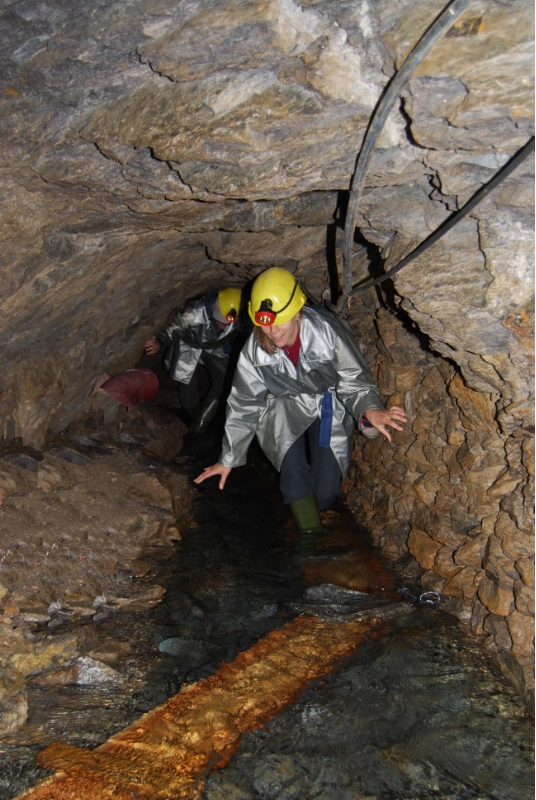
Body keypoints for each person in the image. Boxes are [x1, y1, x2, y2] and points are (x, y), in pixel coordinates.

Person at [194, 267, 407, 533]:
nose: (272, 331)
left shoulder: (327, 332)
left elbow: (354, 380)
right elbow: (244, 403)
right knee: (294, 477)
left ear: (297, 312)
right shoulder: (253, 351)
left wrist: (370, 410)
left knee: (325, 493)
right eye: (264, 323)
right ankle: (310, 544)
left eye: (279, 321)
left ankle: (311, 518)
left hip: (328, 401)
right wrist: (228, 458)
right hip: (282, 406)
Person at [145, 287, 243, 433]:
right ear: (213, 307)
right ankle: (194, 419)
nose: (223, 326)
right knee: (186, 386)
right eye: (220, 321)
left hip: (214, 346)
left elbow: (247, 330)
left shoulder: (238, 313)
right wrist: (159, 342)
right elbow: (174, 329)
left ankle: (200, 425)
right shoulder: (193, 311)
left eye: (226, 323)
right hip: (189, 345)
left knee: (225, 380)